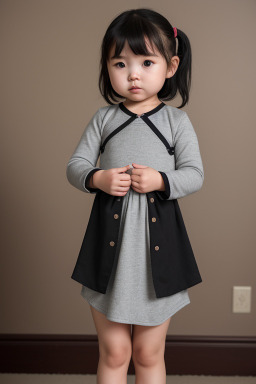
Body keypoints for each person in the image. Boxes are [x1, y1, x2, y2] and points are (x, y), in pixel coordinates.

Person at [66, 7, 204, 383]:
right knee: (115, 352)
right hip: (110, 249)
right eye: (120, 63)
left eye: (146, 62)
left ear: (171, 66)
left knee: (147, 353)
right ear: (107, 68)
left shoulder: (176, 122)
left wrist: (161, 180)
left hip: (156, 250)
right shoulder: (104, 119)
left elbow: (194, 175)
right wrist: (98, 179)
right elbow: (75, 165)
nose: (133, 74)